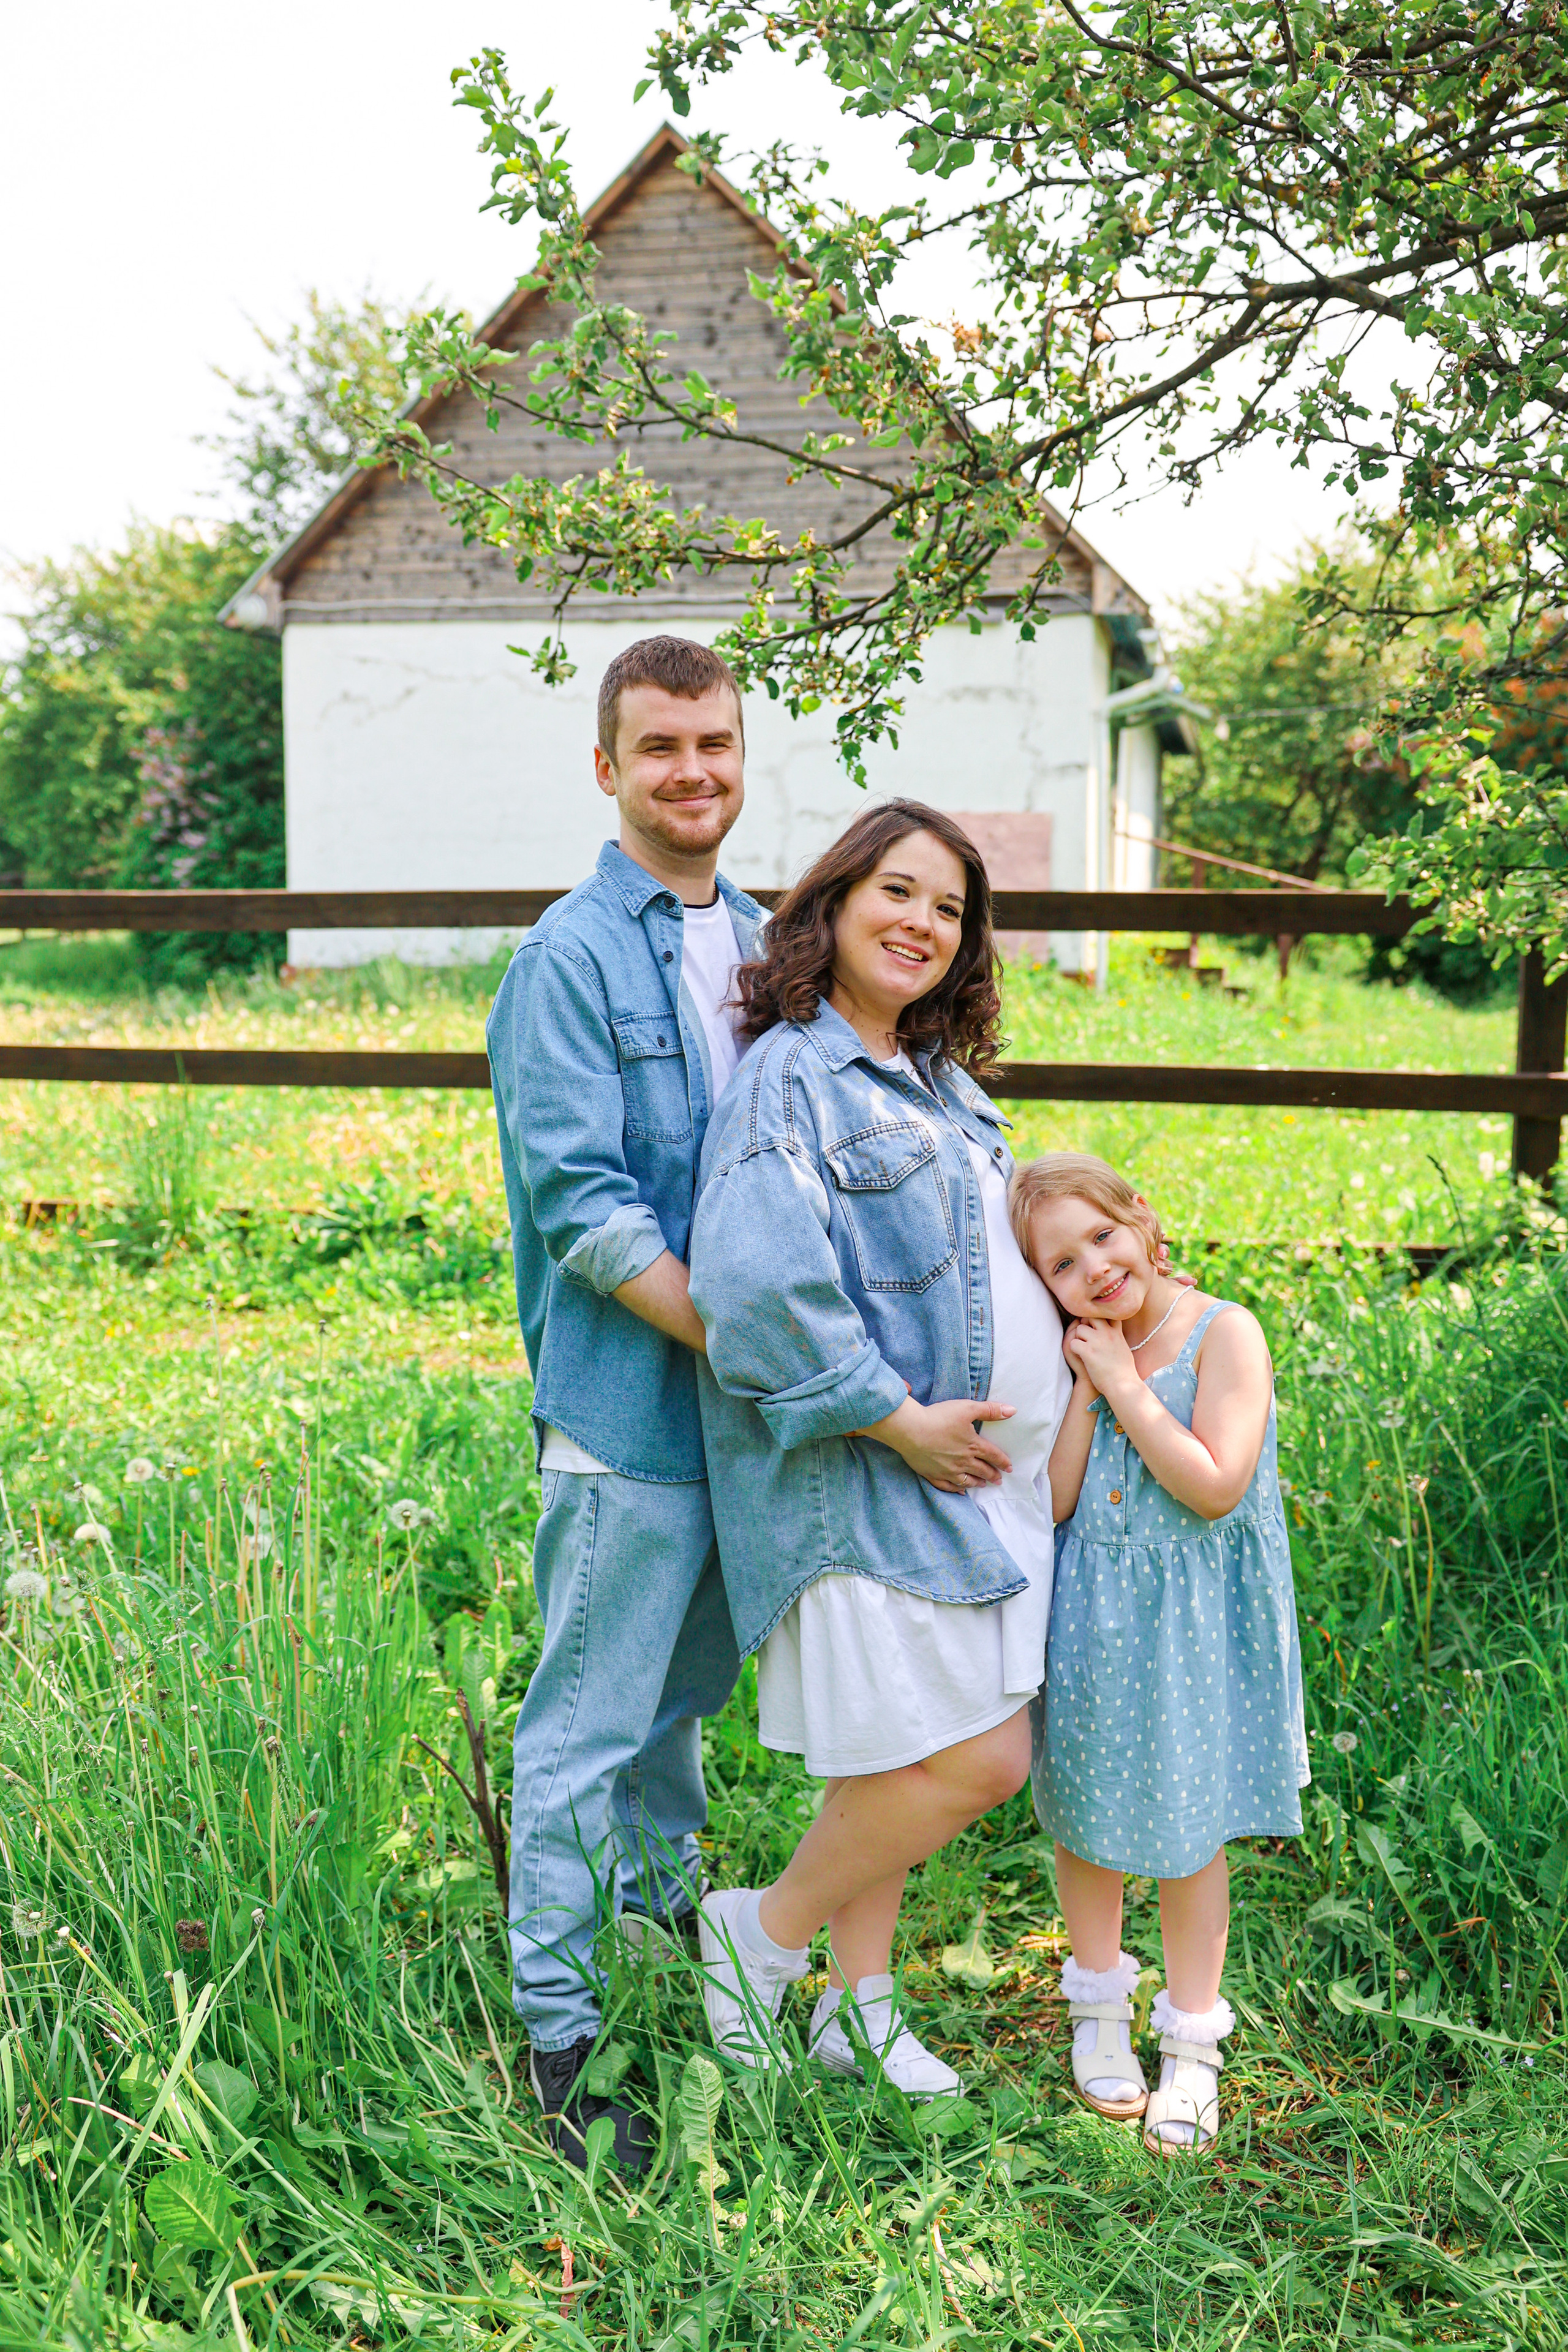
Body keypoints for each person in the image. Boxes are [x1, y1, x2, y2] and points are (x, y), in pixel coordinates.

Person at [685, 799, 1072, 2094]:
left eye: (948, 909)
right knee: (976, 1756)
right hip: (865, 1474)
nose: (920, 923)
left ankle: (856, 2011)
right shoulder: (791, 1074)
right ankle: (761, 1934)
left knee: (894, 1752)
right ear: (835, 904)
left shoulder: (938, 1082)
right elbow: (755, 1289)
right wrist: (895, 1421)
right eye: (896, 893)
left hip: (970, 1486)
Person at [486, 636, 764, 2173]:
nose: (691, 773)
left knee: (681, 1708)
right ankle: (559, 2040)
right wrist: (752, 1346)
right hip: (630, 1417)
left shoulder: (780, 942)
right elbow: (585, 1212)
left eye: (713, 744)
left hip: (746, 1435)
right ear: (607, 768)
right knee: (588, 1726)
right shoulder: (570, 961)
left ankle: (660, 1937)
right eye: (658, 748)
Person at [1012, 1152, 1308, 2156]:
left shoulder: (1225, 1333)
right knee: (1089, 1816)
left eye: (1102, 1236)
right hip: (1097, 1617)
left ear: (1142, 1222)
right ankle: (1098, 2007)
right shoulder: (1081, 1356)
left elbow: (1216, 1483)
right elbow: (1052, 1503)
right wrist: (1090, 1388)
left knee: (1192, 1832)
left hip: (1195, 1627)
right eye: (1059, 1263)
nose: (1092, 1268)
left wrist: (1126, 1386)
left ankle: (1191, 2040)